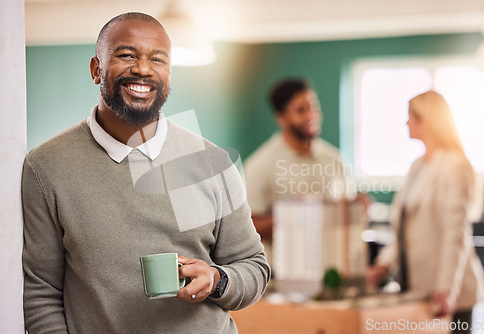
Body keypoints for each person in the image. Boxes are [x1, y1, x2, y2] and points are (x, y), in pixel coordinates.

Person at [22, 12, 270, 334]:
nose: (142, 69)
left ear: (169, 74)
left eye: (158, 60)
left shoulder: (210, 162)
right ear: (97, 69)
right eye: (126, 55)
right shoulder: (46, 167)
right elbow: (41, 293)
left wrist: (217, 280)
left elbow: (253, 268)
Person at [366, 90, 484, 332]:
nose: (406, 122)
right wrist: (383, 265)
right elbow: (404, 229)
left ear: (426, 121)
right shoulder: (417, 166)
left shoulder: (455, 166)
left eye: (410, 116)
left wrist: (445, 289)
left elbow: (456, 233)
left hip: (449, 294)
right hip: (417, 289)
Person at [243, 78, 352, 250]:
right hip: (281, 273)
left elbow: (345, 213)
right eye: (301, 110)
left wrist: (356, 208)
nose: (311, 115)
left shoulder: (335, 159)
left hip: (332, 269)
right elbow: (247, 228)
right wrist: (293, 214)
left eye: (314, 106)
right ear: (282, 118)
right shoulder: (259, 165)